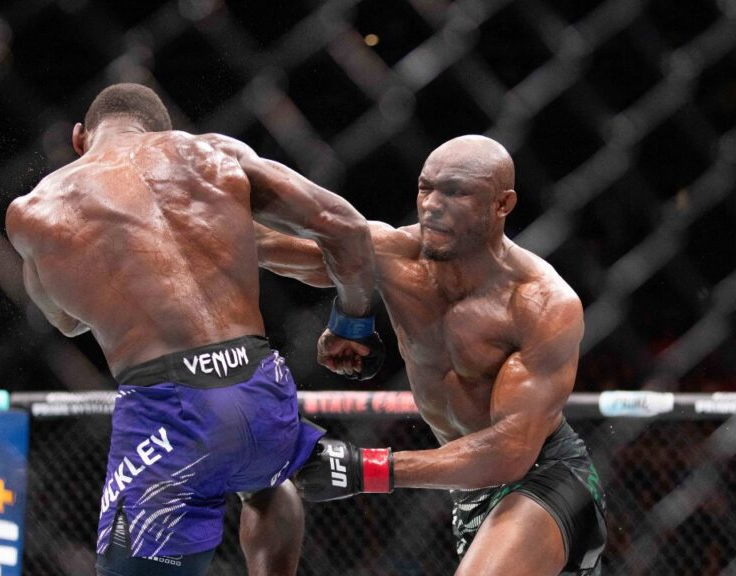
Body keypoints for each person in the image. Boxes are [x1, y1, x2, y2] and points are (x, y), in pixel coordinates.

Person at [4, 83, 380, 576]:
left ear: (79, 138)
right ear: (163, 131)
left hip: (169, 404)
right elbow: (345, 227)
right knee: (267, 484)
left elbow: (68, 322)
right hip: (260, 382)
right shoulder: (211, 154)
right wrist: (351, 323)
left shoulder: (34, 210)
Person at [257, 135, 607, 575]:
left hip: (544, 477)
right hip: (466, 490)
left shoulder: (539, 303)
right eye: (426, 188)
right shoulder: (393, 256)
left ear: (503, 204)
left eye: (457, 192)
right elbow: (269, 246)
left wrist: (366, 468)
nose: (433, 205)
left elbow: (510, 450)